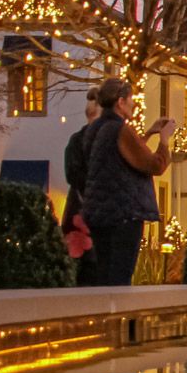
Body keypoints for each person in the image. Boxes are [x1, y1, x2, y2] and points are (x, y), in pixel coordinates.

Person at [79, 78, 173, 286]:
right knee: (120, 277)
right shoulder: (121, 129)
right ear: (120, 102)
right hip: (123, 214)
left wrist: (148, 133)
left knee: (104, 274)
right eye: (130, 99)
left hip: (99, 213)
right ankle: (119, 317)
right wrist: (164, 140)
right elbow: (154, 165)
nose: (134, 103)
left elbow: (121, 156)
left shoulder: (95, 129)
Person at [61, 91, 101, 285]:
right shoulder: (97, 141)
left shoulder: (75, 140)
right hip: (91, 215)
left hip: (77, 213)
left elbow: (72, 174)